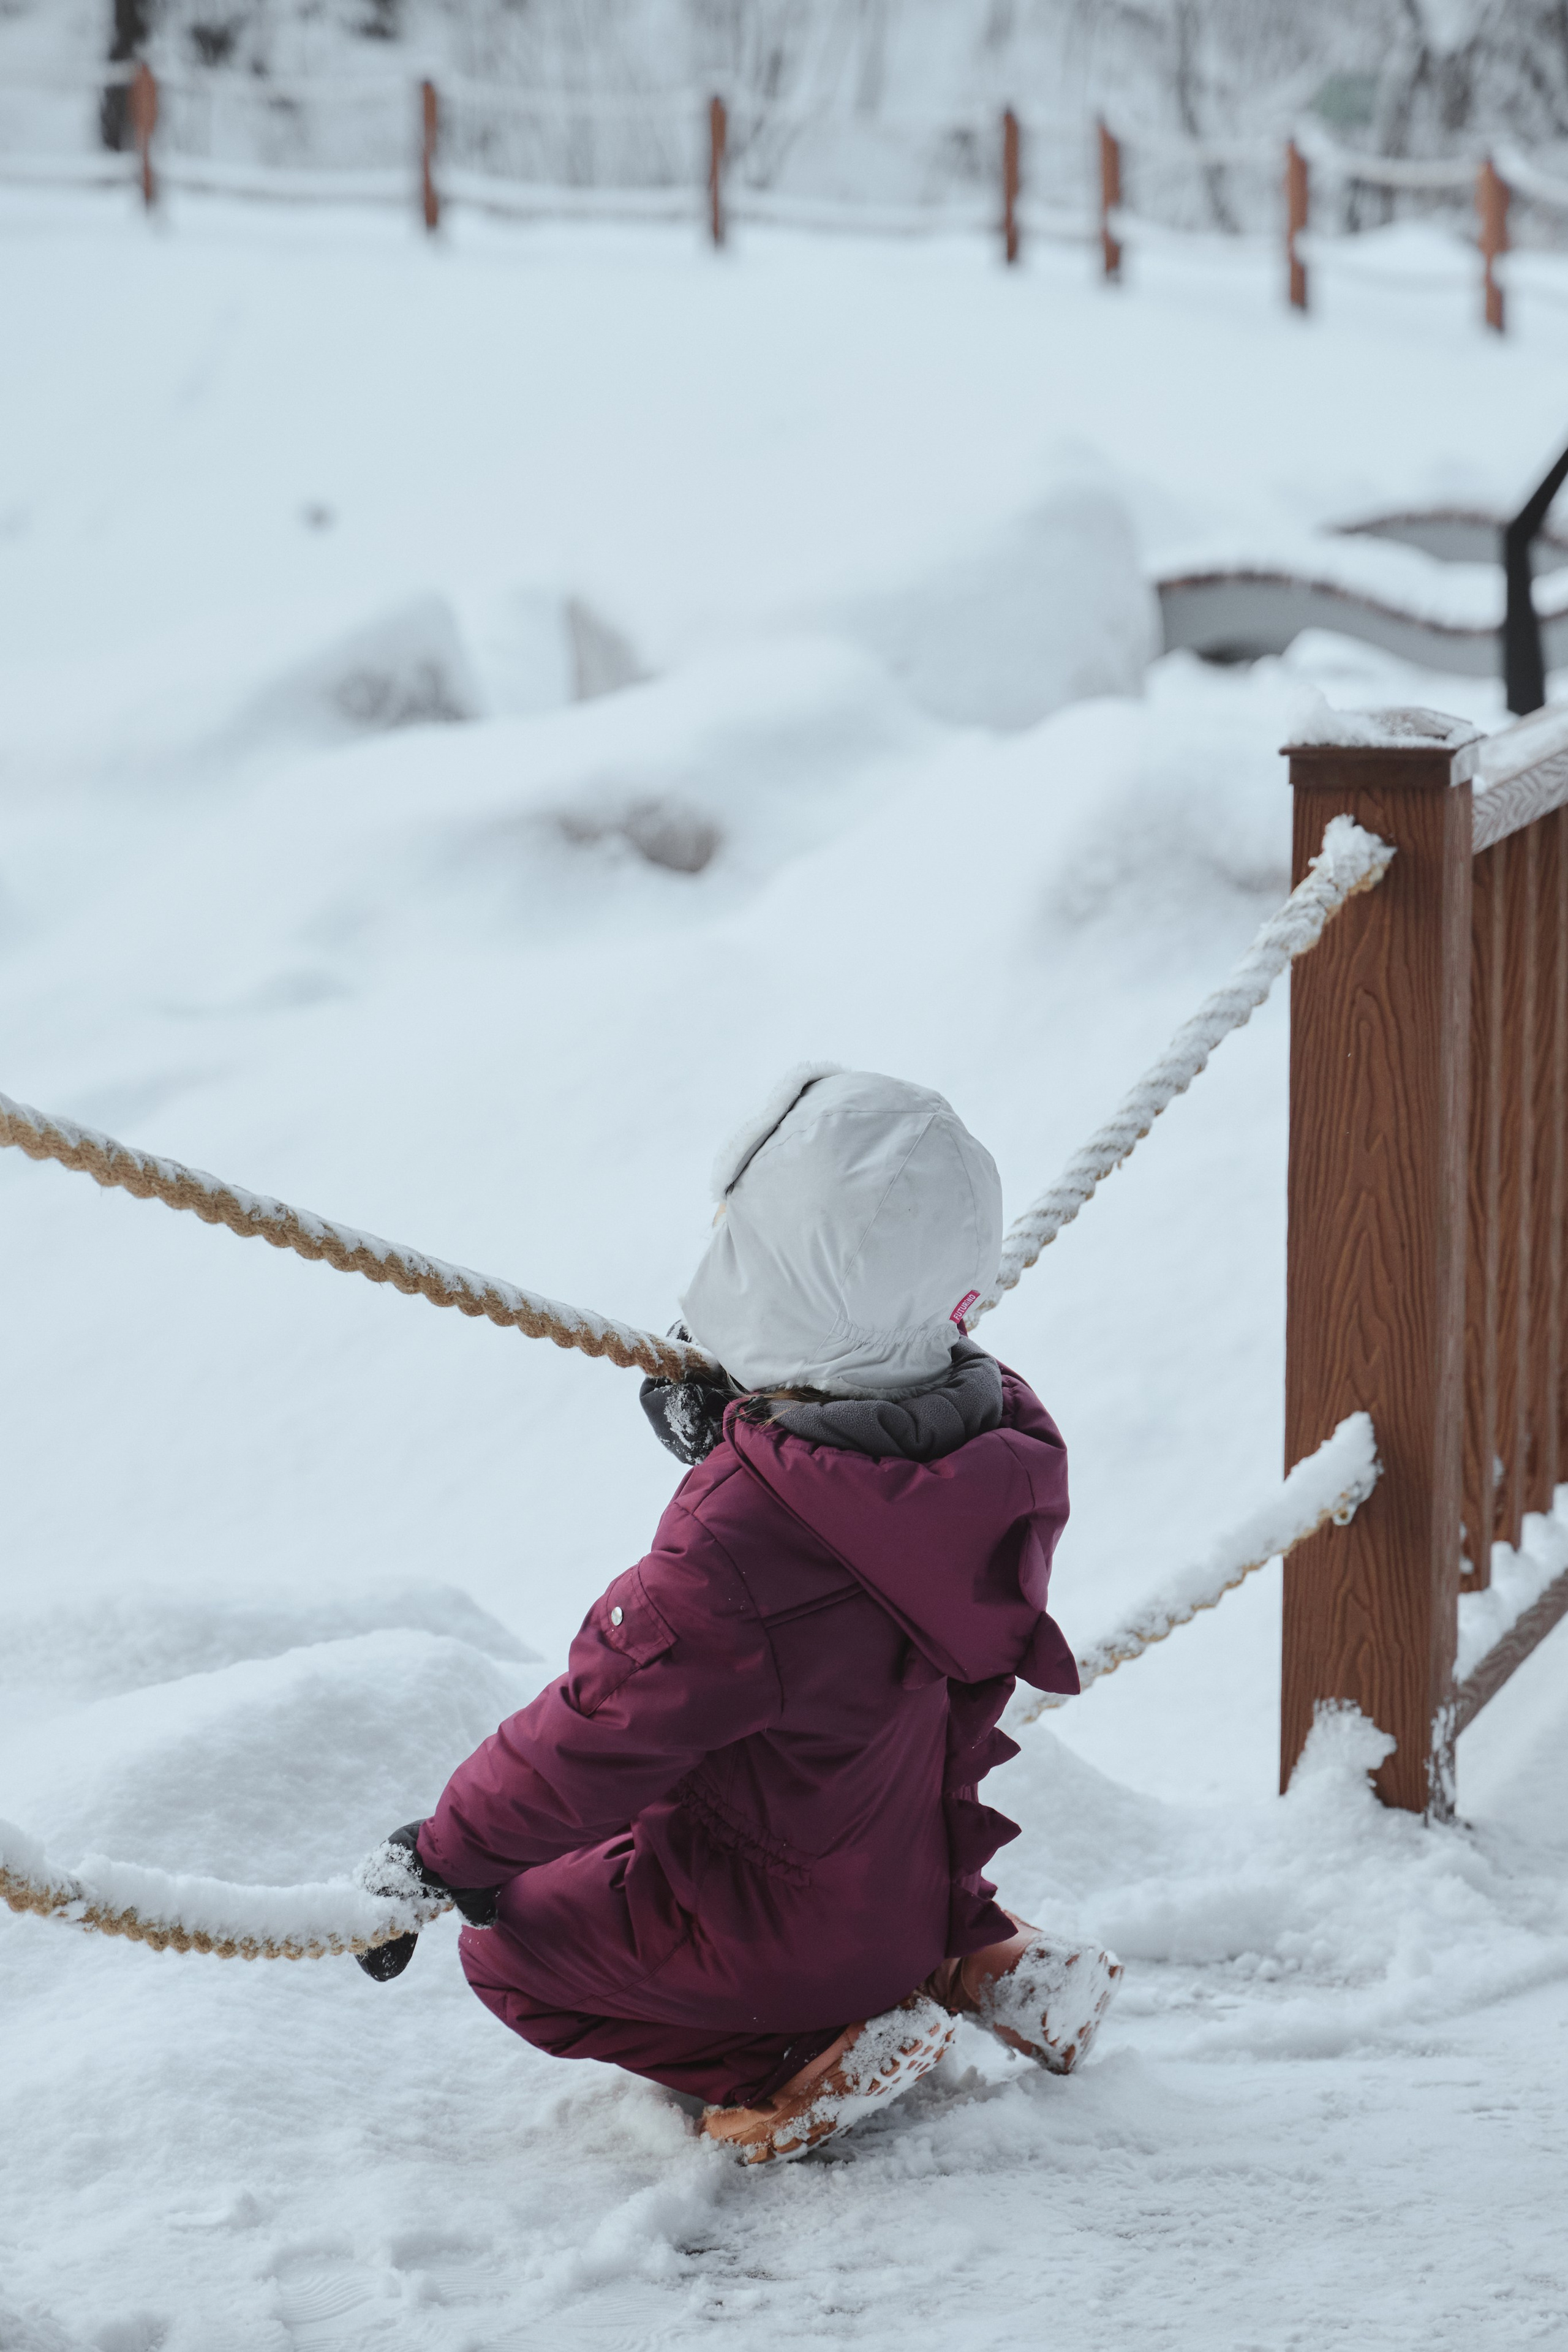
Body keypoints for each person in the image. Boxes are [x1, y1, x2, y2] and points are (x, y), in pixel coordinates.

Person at [356, 1068, 1120, 2163]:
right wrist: (760, 1424)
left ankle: (799, 2059)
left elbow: (600, 1726)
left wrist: (445, 1853)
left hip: (789, 1944)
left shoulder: (736, 1550)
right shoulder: (1001, 1447)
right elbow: (855, 1516)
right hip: (923, 1877)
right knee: (802, 1773)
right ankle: (975, 1955)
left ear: (763, 1278)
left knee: (510, 1946)